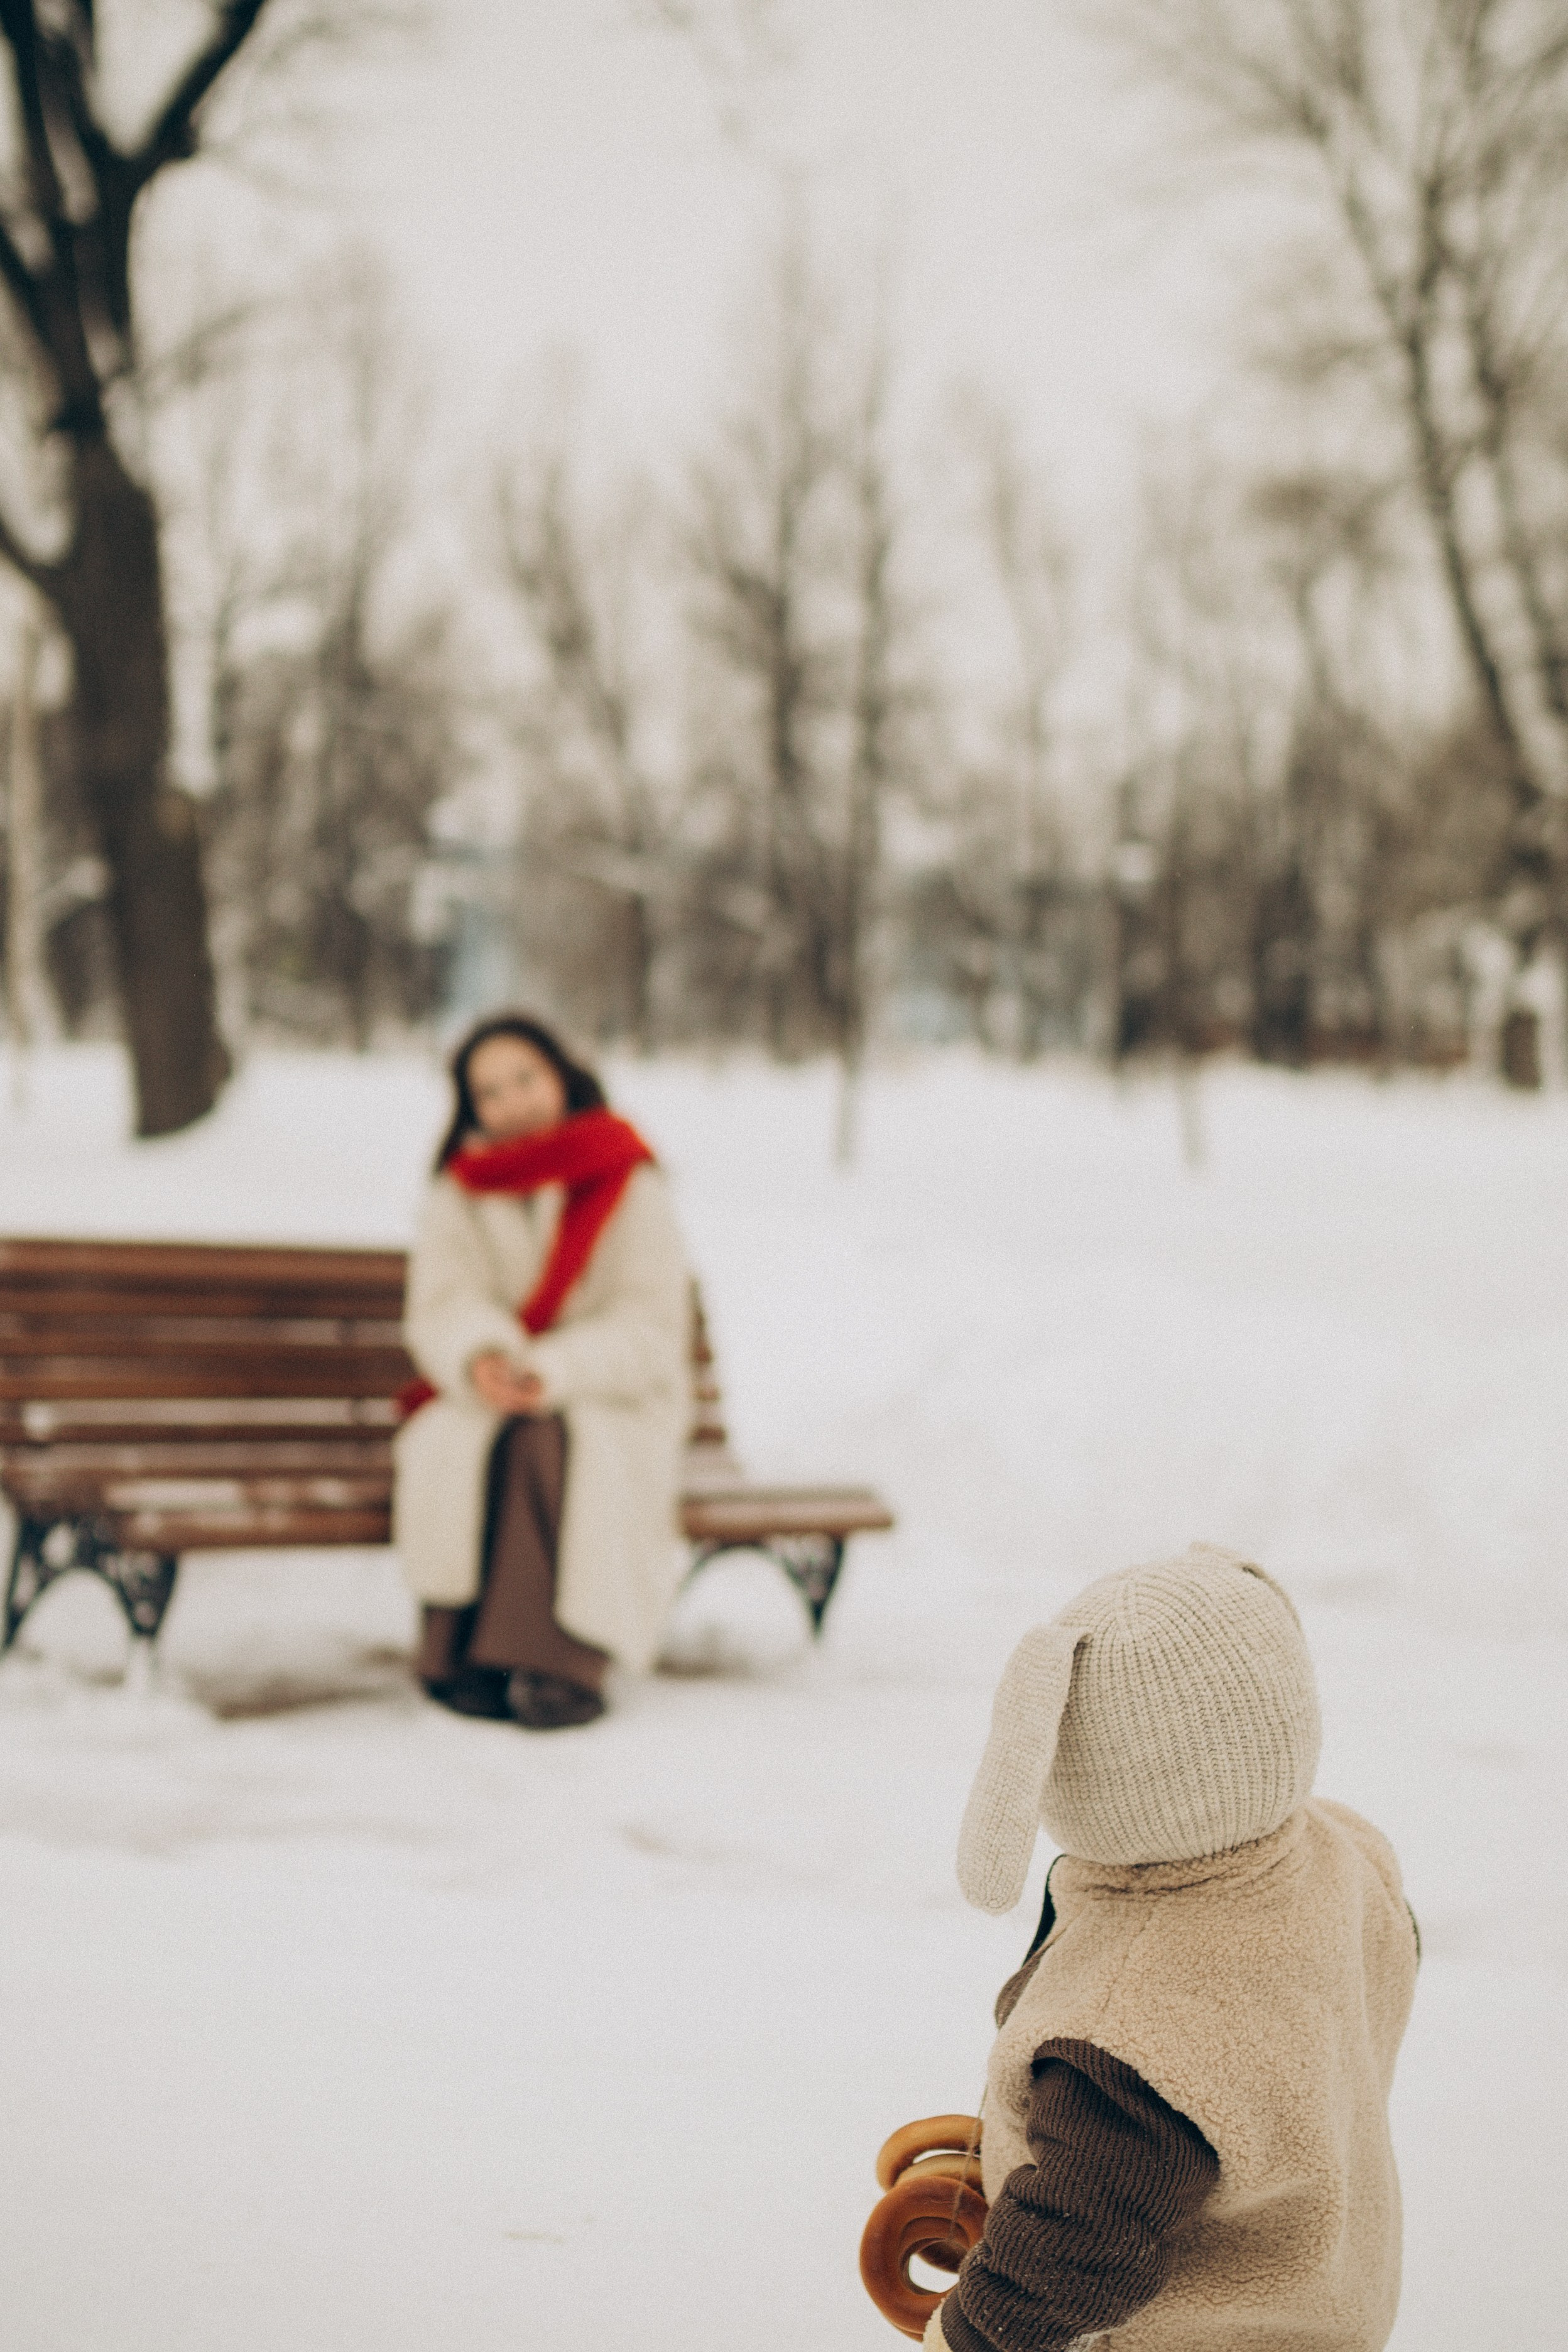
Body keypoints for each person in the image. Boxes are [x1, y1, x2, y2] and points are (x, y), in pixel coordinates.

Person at [921, 1542, 1418, 2352]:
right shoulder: (1340, 1853)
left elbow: (1074, 2249)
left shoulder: (1134, 2018)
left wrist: (968, 2332)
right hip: (1329, 2305)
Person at [393, 1014, 690, 1730]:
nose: (513, 1102)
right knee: (470, 1442)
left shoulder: (626, 1176)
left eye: (525, 1079)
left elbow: (650, 1326)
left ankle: (559, 1662)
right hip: (487, 1389)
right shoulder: (459, 1190)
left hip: (615, 1396)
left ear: (561, 1076)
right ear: (471, 1107)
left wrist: (554, 1370)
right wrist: (482, 1357)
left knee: (550, 1439)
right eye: (490, 1092)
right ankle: (460, 1655)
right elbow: (442, 1303)